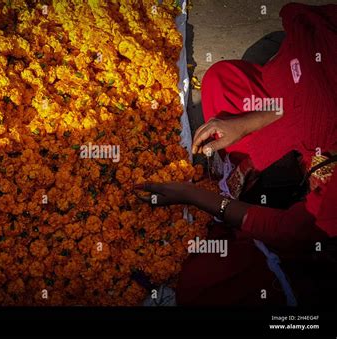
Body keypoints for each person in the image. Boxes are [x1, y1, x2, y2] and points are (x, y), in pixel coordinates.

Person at [134, 3, 337, 306]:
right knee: (223, 81)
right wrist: (247, 122)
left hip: (314, 250)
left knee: (207, 282)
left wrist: (195, 196)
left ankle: (238, 210)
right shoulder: (324, 65)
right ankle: (241, 184)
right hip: (321, 127)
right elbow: (297, 103)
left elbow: (294, 232)